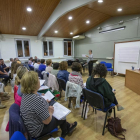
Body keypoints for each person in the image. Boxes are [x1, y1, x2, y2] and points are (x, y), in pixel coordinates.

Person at [20, 71, 77, 138]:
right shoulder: (36, 99)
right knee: (61, 116)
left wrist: (44, 104)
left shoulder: (25, 94)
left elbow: (35, 108)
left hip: (31, 127)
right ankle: (66, 131)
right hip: (38, 130)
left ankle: (67, 126)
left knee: (55, 108)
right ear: (34, 84)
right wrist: (50, 111)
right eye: (38, 79)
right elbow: (47, 121)